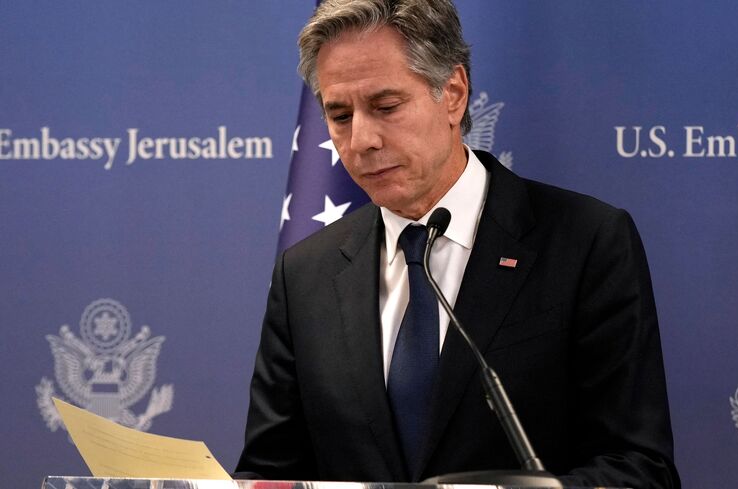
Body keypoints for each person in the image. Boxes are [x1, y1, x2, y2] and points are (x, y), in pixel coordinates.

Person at [236, 1, 680, 488]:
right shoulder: (305, 273)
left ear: (453, 93)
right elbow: (270, 472)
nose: (360, 140)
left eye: (385, 107)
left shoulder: (586, 242)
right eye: (340, 115)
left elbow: (638, 470)